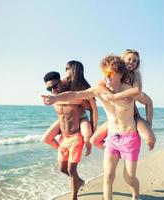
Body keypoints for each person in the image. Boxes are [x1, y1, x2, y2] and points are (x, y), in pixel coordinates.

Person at [42, 55, 147, 200]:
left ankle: (135, 195)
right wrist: (55, 98)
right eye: (105, 74)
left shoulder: (129, 91)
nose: (107, 78)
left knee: (129, 178)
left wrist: (148, 124)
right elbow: (75, 94)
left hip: (129, 137)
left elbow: (147, 101)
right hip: (112, 137)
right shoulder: (100, 89)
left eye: (111, 74)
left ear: (120, 74)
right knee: (108, 176)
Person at [91, 49, 155, 150]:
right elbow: (100, 84)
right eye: (129, 59)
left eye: (135, 61)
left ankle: (147, 146)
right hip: (116, 119)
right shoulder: (114, 72)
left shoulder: (135, 75)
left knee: (150, 139)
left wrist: (149, 124)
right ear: (123, 59)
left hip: (132, 115)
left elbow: (137, 90)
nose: (132, 62)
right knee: (94, 141)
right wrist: (107, 94)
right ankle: (116, 151)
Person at [43, 71, 93, 200]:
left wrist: (88, 130)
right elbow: (62, 117)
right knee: (62, 168)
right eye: (49, 88)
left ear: (61, 82)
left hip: (76, 135)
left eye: (54, 86)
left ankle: (74, 197)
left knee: (71, 169)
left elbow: (89, 105)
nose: (52, 90)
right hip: (63, 137)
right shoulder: (53, 99)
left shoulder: (72, 94)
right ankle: (80, 181)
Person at [42, 60, 98, 156]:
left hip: (81, 116)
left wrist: (94, 127)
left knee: (88, 135)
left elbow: (93, 108)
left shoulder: (83, 87)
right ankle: (62, 150)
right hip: (66, 118)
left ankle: (88, 147)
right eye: (66, 69)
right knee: (46, 138)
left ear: (76, 72)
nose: (66, 72)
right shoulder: (62, 82)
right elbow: (58, 97)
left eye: (68, 69)